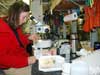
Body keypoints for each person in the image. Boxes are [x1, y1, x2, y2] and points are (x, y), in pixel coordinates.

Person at [0, 1, 39, 75]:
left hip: (21, 59)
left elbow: (19, 41)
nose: (24, 21)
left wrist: (28, 38)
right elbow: (2, 58)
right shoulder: (2, 30)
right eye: (23, 17)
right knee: (41, 71)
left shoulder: (14, 25)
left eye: (26, 18)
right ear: (15, 15)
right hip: (11, 67)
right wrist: (27, 61)